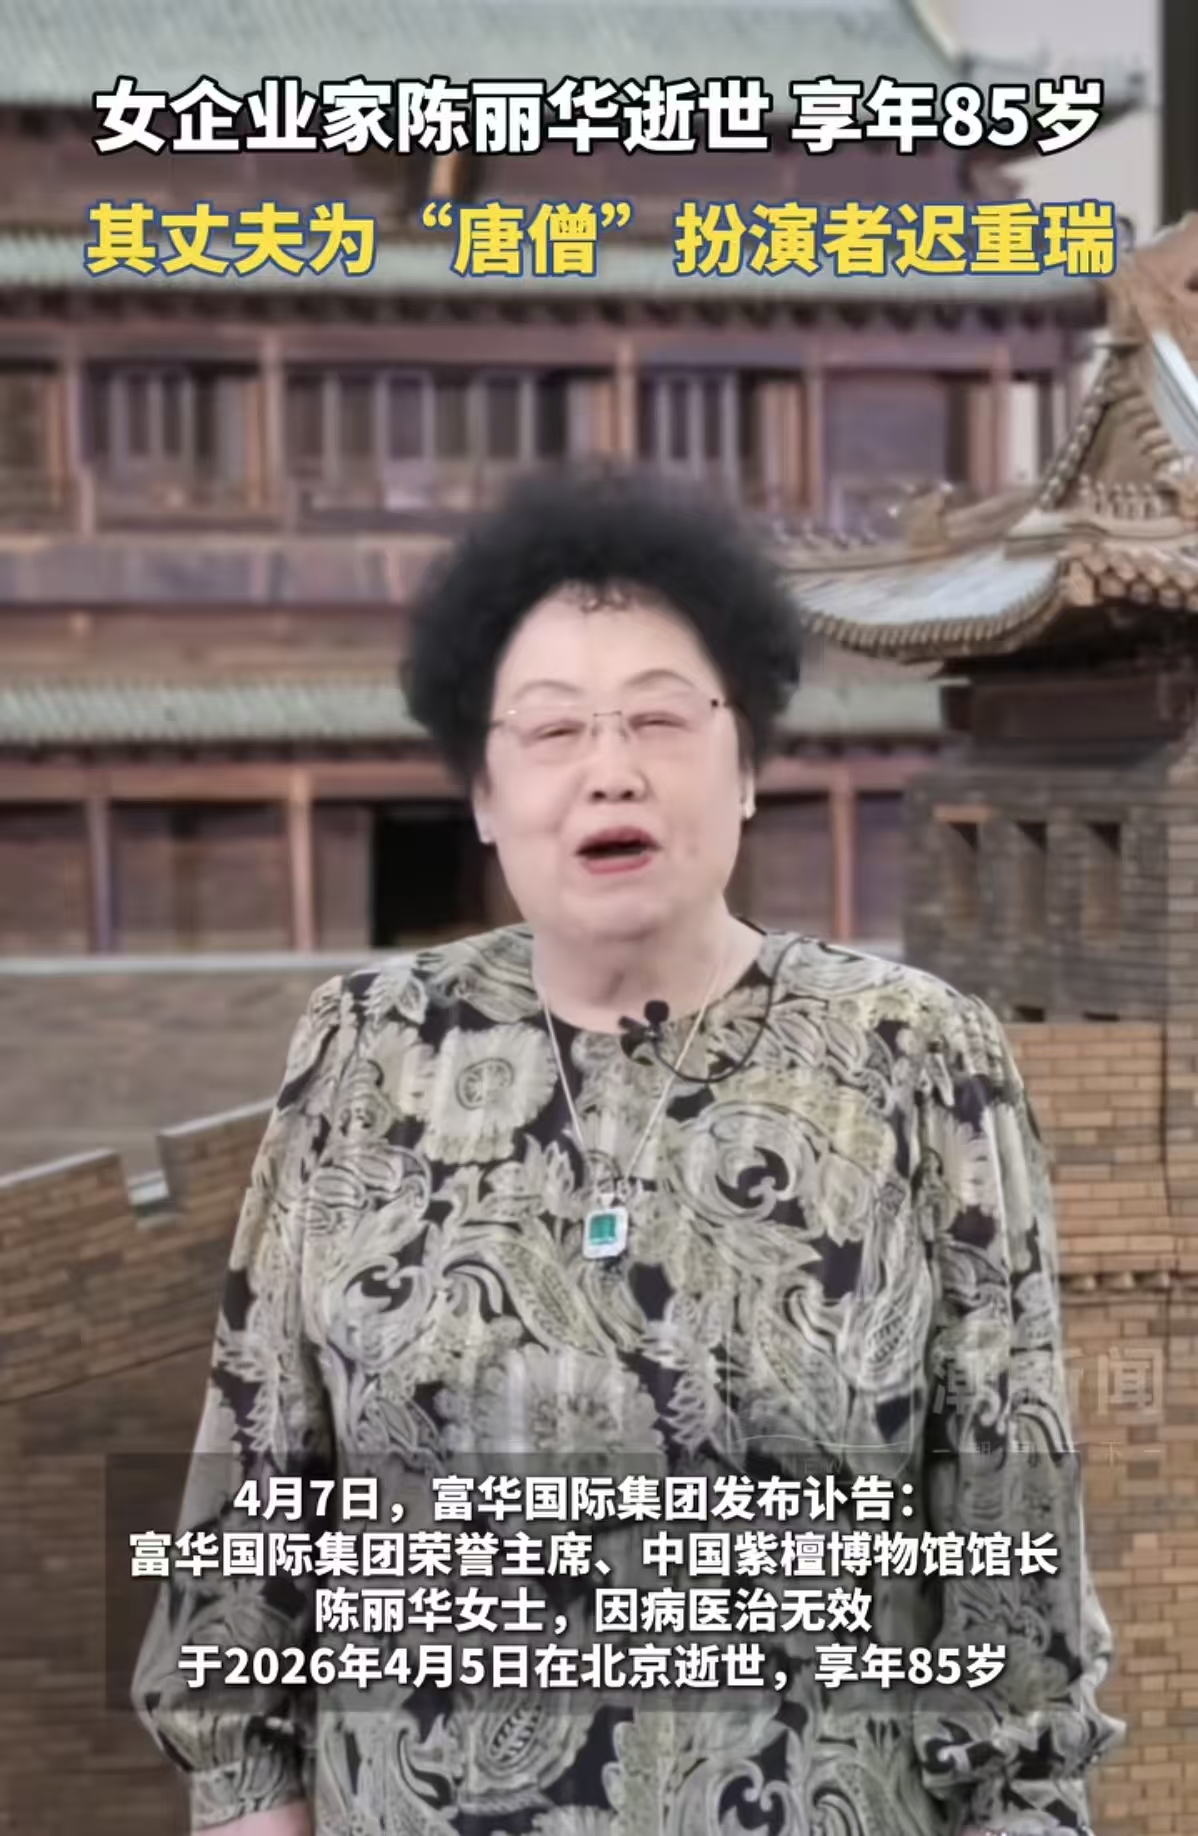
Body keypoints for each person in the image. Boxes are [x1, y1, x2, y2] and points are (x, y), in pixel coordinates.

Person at [133, 466, 1124, 1836]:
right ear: (483, 793)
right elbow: (257, 1486)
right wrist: (250, 1796)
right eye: (552, 729)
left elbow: (1013, 1532)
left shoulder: (914, 1055)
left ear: (747, 766)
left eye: (660, 717)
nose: (612, 767)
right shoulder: (366, 1044)